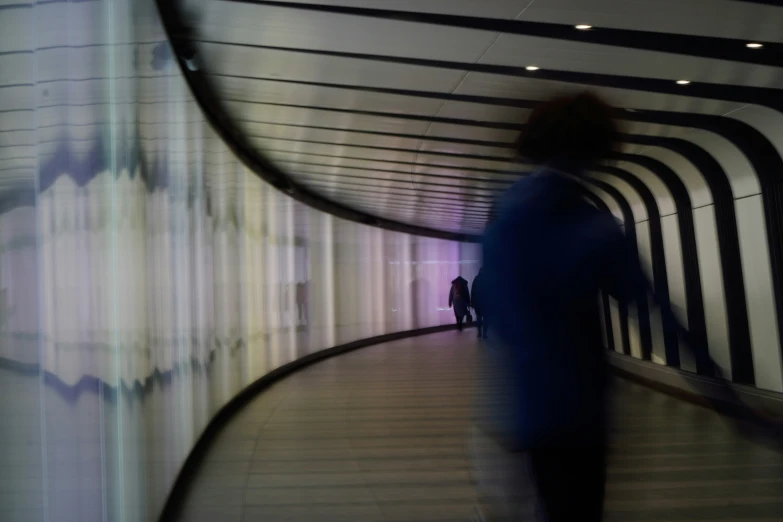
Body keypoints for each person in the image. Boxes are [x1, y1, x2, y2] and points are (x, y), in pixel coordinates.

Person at [476, 91, 721, 521]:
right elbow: (651, 309)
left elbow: (499, 316)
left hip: (524, 407)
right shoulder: (589, 226)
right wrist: (723, 392)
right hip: (577, 408)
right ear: (592, 149)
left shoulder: (504, 220)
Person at [471, 268, 488, 339]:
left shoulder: (476, 279)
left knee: (479, 318)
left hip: (477, 303)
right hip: (485, 303)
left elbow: (472, 292)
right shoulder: (487, 280)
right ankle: (484, 333)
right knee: (486, 318)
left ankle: (479, 332)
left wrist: (472, 302)